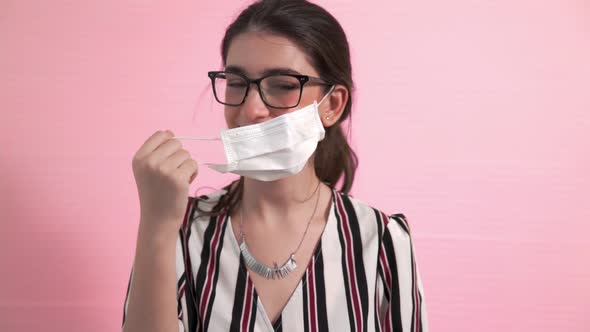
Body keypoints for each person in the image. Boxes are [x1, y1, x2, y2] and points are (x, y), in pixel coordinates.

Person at [121, 0, 428, 331]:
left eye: (282, 85)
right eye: (237, 83)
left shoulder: (382, 241)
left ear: (333, 105)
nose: (251, 109)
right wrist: (155, 225)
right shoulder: (179, 230)